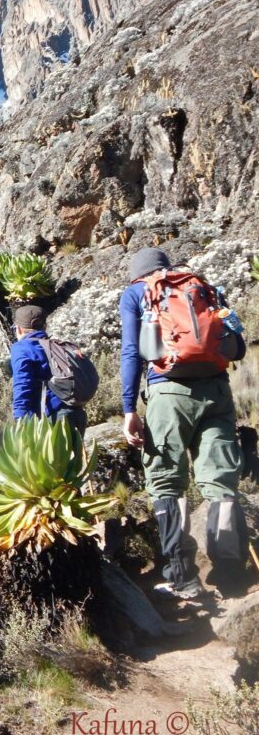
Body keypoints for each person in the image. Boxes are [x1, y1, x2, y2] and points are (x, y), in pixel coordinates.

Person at [120, 247, 248, 600]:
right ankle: (231, 575)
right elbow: (238, 347)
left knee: (166, 482)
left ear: (137, 274)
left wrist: (129, 409)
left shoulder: (136, 293)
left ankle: (182, 578)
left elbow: (132, 351)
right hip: (216, 392)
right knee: (220, 482)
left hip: (168, 394)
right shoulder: (203, 286)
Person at [10, 305, 88, 435]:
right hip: (76, 413)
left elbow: (22, 383)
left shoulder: (22, 348)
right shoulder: (54, 346)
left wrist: (19, 418)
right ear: (44, 326)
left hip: (53, 418)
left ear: (19, 329)